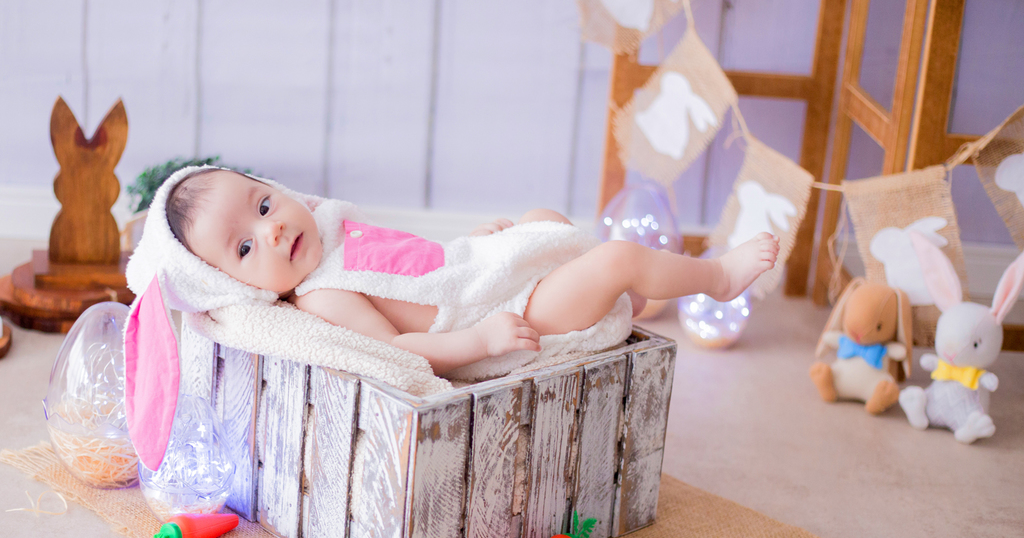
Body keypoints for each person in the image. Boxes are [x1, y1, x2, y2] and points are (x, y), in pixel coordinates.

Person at [159, 167, 778, 376]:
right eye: (244, 250)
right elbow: (401, 348)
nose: (269, 229)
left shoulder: (332, 228)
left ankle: (631, 297)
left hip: (482, 277)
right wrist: (479, 342)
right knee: (614, 256)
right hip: (504, 317)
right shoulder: (323, 297)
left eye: (263, 204)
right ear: (237, 287)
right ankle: (716, 278)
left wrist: (472, 246)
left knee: (545, 218)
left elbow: (418, 268)